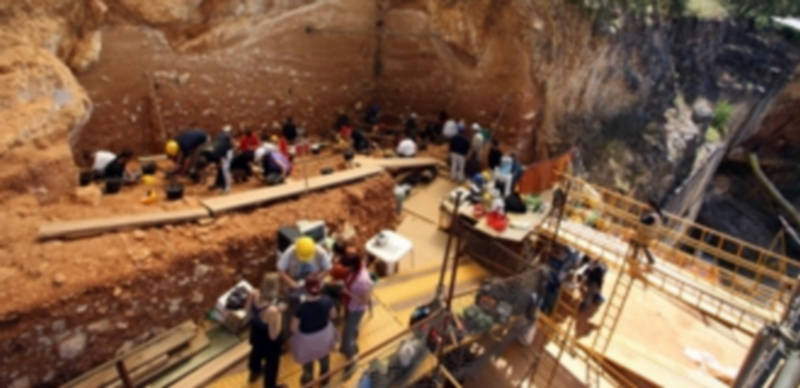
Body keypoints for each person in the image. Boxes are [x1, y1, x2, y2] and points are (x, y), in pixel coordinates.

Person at [277, 237, 332, 341]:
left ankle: (310, 328)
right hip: (294, 285)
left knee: (312, 309)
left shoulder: (320, 252)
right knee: (289, 311)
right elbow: (280, 269)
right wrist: (290, 282)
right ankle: (285, 336)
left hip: (313, 286)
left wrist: (318, 277)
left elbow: (328, 268)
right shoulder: (290, 252)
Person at [291, 277, 338, 386]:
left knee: (308, 362)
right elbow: (333, 315)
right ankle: (325, 380)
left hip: (307, 340)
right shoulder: (327, 301)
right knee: (324, 358)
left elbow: (293, 328)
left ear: (306, 290)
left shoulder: (300, 309)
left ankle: (308, 379)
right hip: (324, 337)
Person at [246, 273, 287, 388]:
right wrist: (279, 313)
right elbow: (274, 335)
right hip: (268, 340)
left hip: (256, 330)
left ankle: (255, 370)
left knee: (256, 352)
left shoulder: (253, 293)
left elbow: (247, 312)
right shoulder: (272, 310)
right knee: (271, 364)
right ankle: (270, 385)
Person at [338, 251, 373, 375]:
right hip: (350, 306)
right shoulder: (359, 265)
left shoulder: (363, 281)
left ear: (351, 266)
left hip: (356, 309)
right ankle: (352, 342)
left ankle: (351, 359)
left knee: (347, 335)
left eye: (345, 266)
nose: (344, 268)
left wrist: (347, 292)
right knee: (351, 328)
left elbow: (364, 301)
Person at [207, 125, 234, 193]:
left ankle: (226, 188)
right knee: (222, 169)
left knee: (225, 169)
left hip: (226, 153)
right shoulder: (223, 136)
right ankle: (220, 184)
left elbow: (220, 161)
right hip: (224, 152)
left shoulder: (222, 136)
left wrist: (213, 167)